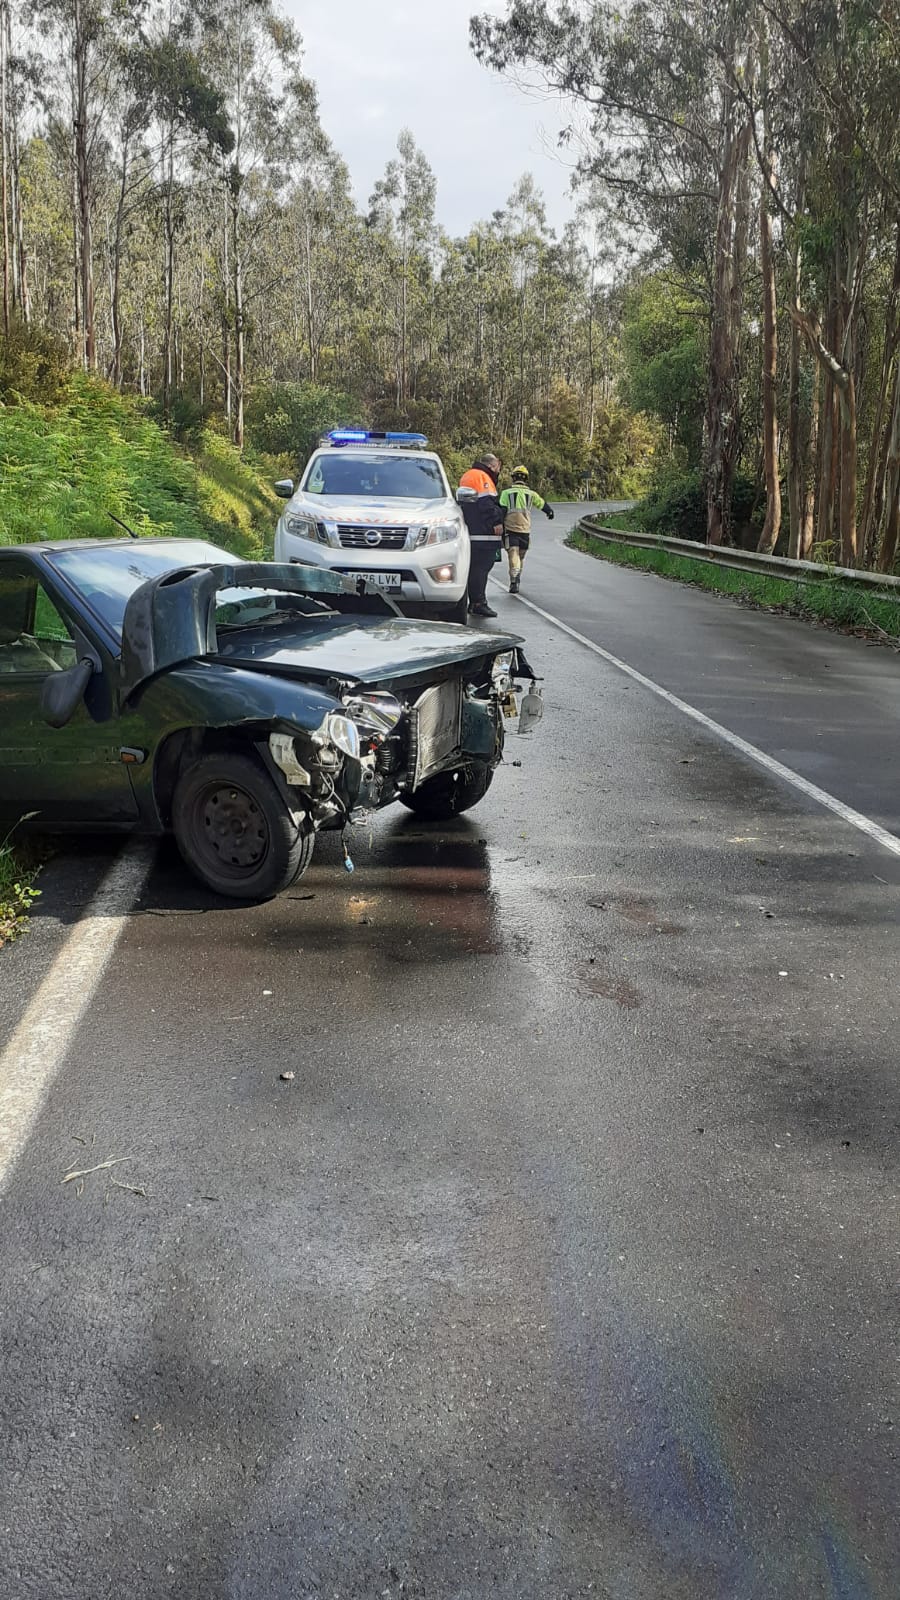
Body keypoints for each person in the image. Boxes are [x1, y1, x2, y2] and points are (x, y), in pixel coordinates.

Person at [459, 453, 504, 617]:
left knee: (474, 568)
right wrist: (496, 522)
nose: (499, 470)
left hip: (471, 530)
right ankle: (478, 603)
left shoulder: (469, 475)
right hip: (483, 533)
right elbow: (486, 503)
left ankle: (472, 602)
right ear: (493, 465)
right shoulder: (483, 477)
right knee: (481, 568)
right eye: (498, 466)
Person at [499, 466, 555, 593]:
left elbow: (501, 510)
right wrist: (550, 512)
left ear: (513, 478)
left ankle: (514, 578)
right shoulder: (531, 494)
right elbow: (543, 505)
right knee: (521, 557)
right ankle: (516, 578)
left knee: (513, 554)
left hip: (510, 529)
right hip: (525, 530)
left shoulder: (506, 493)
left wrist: (498, 525)